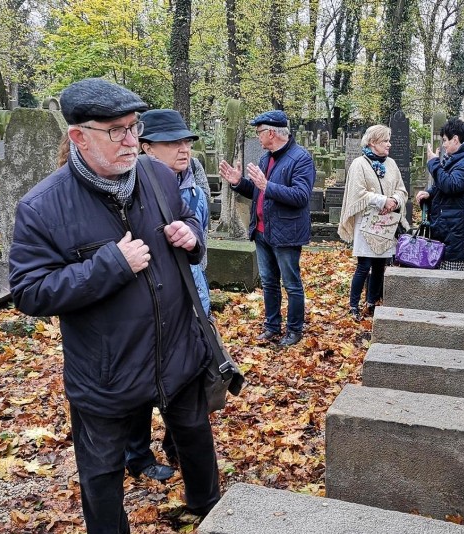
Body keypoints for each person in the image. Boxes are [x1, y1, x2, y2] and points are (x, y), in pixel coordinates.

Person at [8, 79, 221, 534]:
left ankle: (208, 507)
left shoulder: (155, 174)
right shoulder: (43, 207)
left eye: (135, 128)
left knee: (194, 436)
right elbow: (30, 291)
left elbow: (190, 225)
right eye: (116, 132)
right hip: (105, 369)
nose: (131, 141)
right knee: (101, 470)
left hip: (177, 351)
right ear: (80, 138)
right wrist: (108, 266)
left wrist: (193, 238)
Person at [107, 108, 213, 483]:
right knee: (139, 388)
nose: (183, 150)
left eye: (186, 142)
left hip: (191, 296)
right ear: (147, 147)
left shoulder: (194, 182)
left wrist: (193, 237)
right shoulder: (130, 187)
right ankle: (137, 456)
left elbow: (200, 235)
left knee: (188, 380)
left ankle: (177, 445)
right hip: (145, 307)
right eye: (173, 143)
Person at [218, 110, 315, 346]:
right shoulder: (266, 157)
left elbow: (301, 197)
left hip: (286, 233)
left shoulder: (301, 158)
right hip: (262, 231)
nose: (257, 137)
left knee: (291, 284)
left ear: (271, 132)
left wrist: (266, 185)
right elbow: (258, 192)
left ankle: (294, 330)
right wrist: (238, 183)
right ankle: (272, 326)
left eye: (259, 132)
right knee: (269, 282)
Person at [337, 124, 408, 320]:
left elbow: (401, 189)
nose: (389, 144)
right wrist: (382, 200)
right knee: (364, 264)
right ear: (372, 142)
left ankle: (372, 302)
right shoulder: (359, 164)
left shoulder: (392, 164)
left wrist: (394, 200)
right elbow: (357, 193)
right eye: (385, 141)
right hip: (366, 222)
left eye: (388, 140)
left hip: (386, 222)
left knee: (380, 264)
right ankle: (353, 305)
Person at [414, 117, 464, 271]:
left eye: (445, 140)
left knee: (453, 288)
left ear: (455, 139)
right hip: (451, 232)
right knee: (443, 286)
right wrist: (430, 193)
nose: (444, 144)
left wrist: (433, 163)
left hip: (459, 237)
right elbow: (447, 185)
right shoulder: (461, 159)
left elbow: (452, 185)